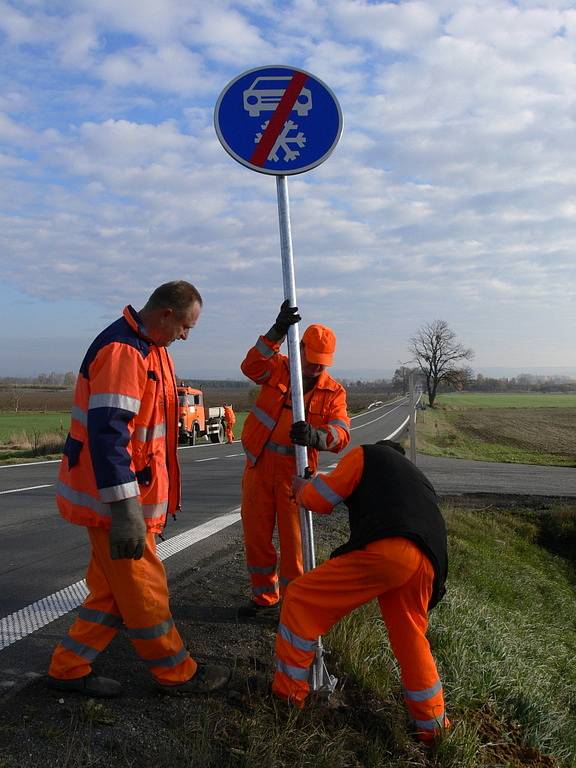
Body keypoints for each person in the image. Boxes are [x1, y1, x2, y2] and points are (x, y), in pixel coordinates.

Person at [47, 281, 229, 698]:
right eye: (186, 326)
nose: (186, 335)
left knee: (112, 591)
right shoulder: (124, 352)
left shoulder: (152, 349)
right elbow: (110, 435)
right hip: (113, 505)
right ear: (165, 314)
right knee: (146, 589)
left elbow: (154, 438)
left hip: (127, 501)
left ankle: (68, 666)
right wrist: (126, 512)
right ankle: (177, 673)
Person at [272, 440, 449, 746]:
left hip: (391, 549)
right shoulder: (417, 478)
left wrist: (302, 488)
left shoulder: (367, 455)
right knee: (411, 640)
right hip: (428, 563)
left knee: (300, 598)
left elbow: (323, 498)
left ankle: (287, 698)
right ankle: (434, 728)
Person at [238, 300, 350, 619]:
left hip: (295, 476)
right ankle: (264, 598)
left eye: (322, 363)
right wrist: (275, 331)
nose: (316, 368)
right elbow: (250, 367)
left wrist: (315, 436)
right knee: (257, 540)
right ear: (299, 349)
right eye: (312, 360)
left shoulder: (334, 393)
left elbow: (341, 434)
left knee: (294, 549)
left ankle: (292, 607)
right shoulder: (278, 366)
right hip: (259, 468)